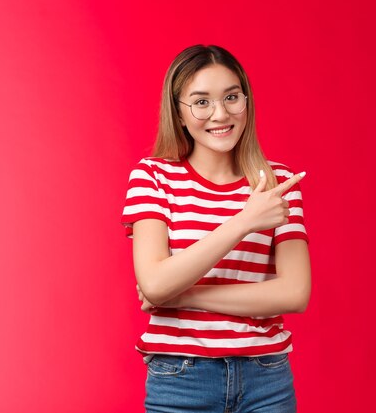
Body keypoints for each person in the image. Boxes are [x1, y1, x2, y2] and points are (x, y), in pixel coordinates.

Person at [121, 45, 311, 413]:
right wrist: (244, 221)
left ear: (246, 100)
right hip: (181, 379)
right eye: (201, 102)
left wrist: (184, 296)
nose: (220, 113)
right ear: (178, 112)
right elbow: (156, 284)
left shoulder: (277, 182)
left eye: (231, 97)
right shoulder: (153, 177)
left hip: (266, 378)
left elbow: (294, 292)